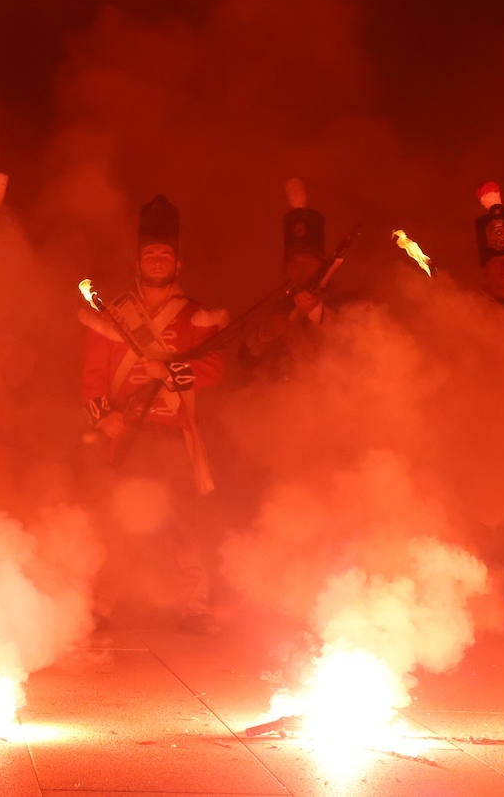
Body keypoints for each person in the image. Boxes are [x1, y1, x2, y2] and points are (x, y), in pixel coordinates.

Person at [79, 195, 227, 630]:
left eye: (165, 254)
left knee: (186, 524)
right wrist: (105, 417)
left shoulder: (194, 317)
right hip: (128, 435)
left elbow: (213, 368)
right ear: (138, 262)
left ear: (177, 264)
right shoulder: (113, 317)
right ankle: (101, 605)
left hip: (173, 436)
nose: (158, 261)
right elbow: (92, 376)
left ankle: (195, 606)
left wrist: (170, 369)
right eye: (151, 254)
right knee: (117, 522)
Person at [242, 178, 330, 369]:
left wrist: (317, 312)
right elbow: (245, 359)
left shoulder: (341, 301)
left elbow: (353, 336)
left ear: (321, 265)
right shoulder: (275, 303)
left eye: (308, 261)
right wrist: (263, 335)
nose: (300, 268)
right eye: (294, 262)